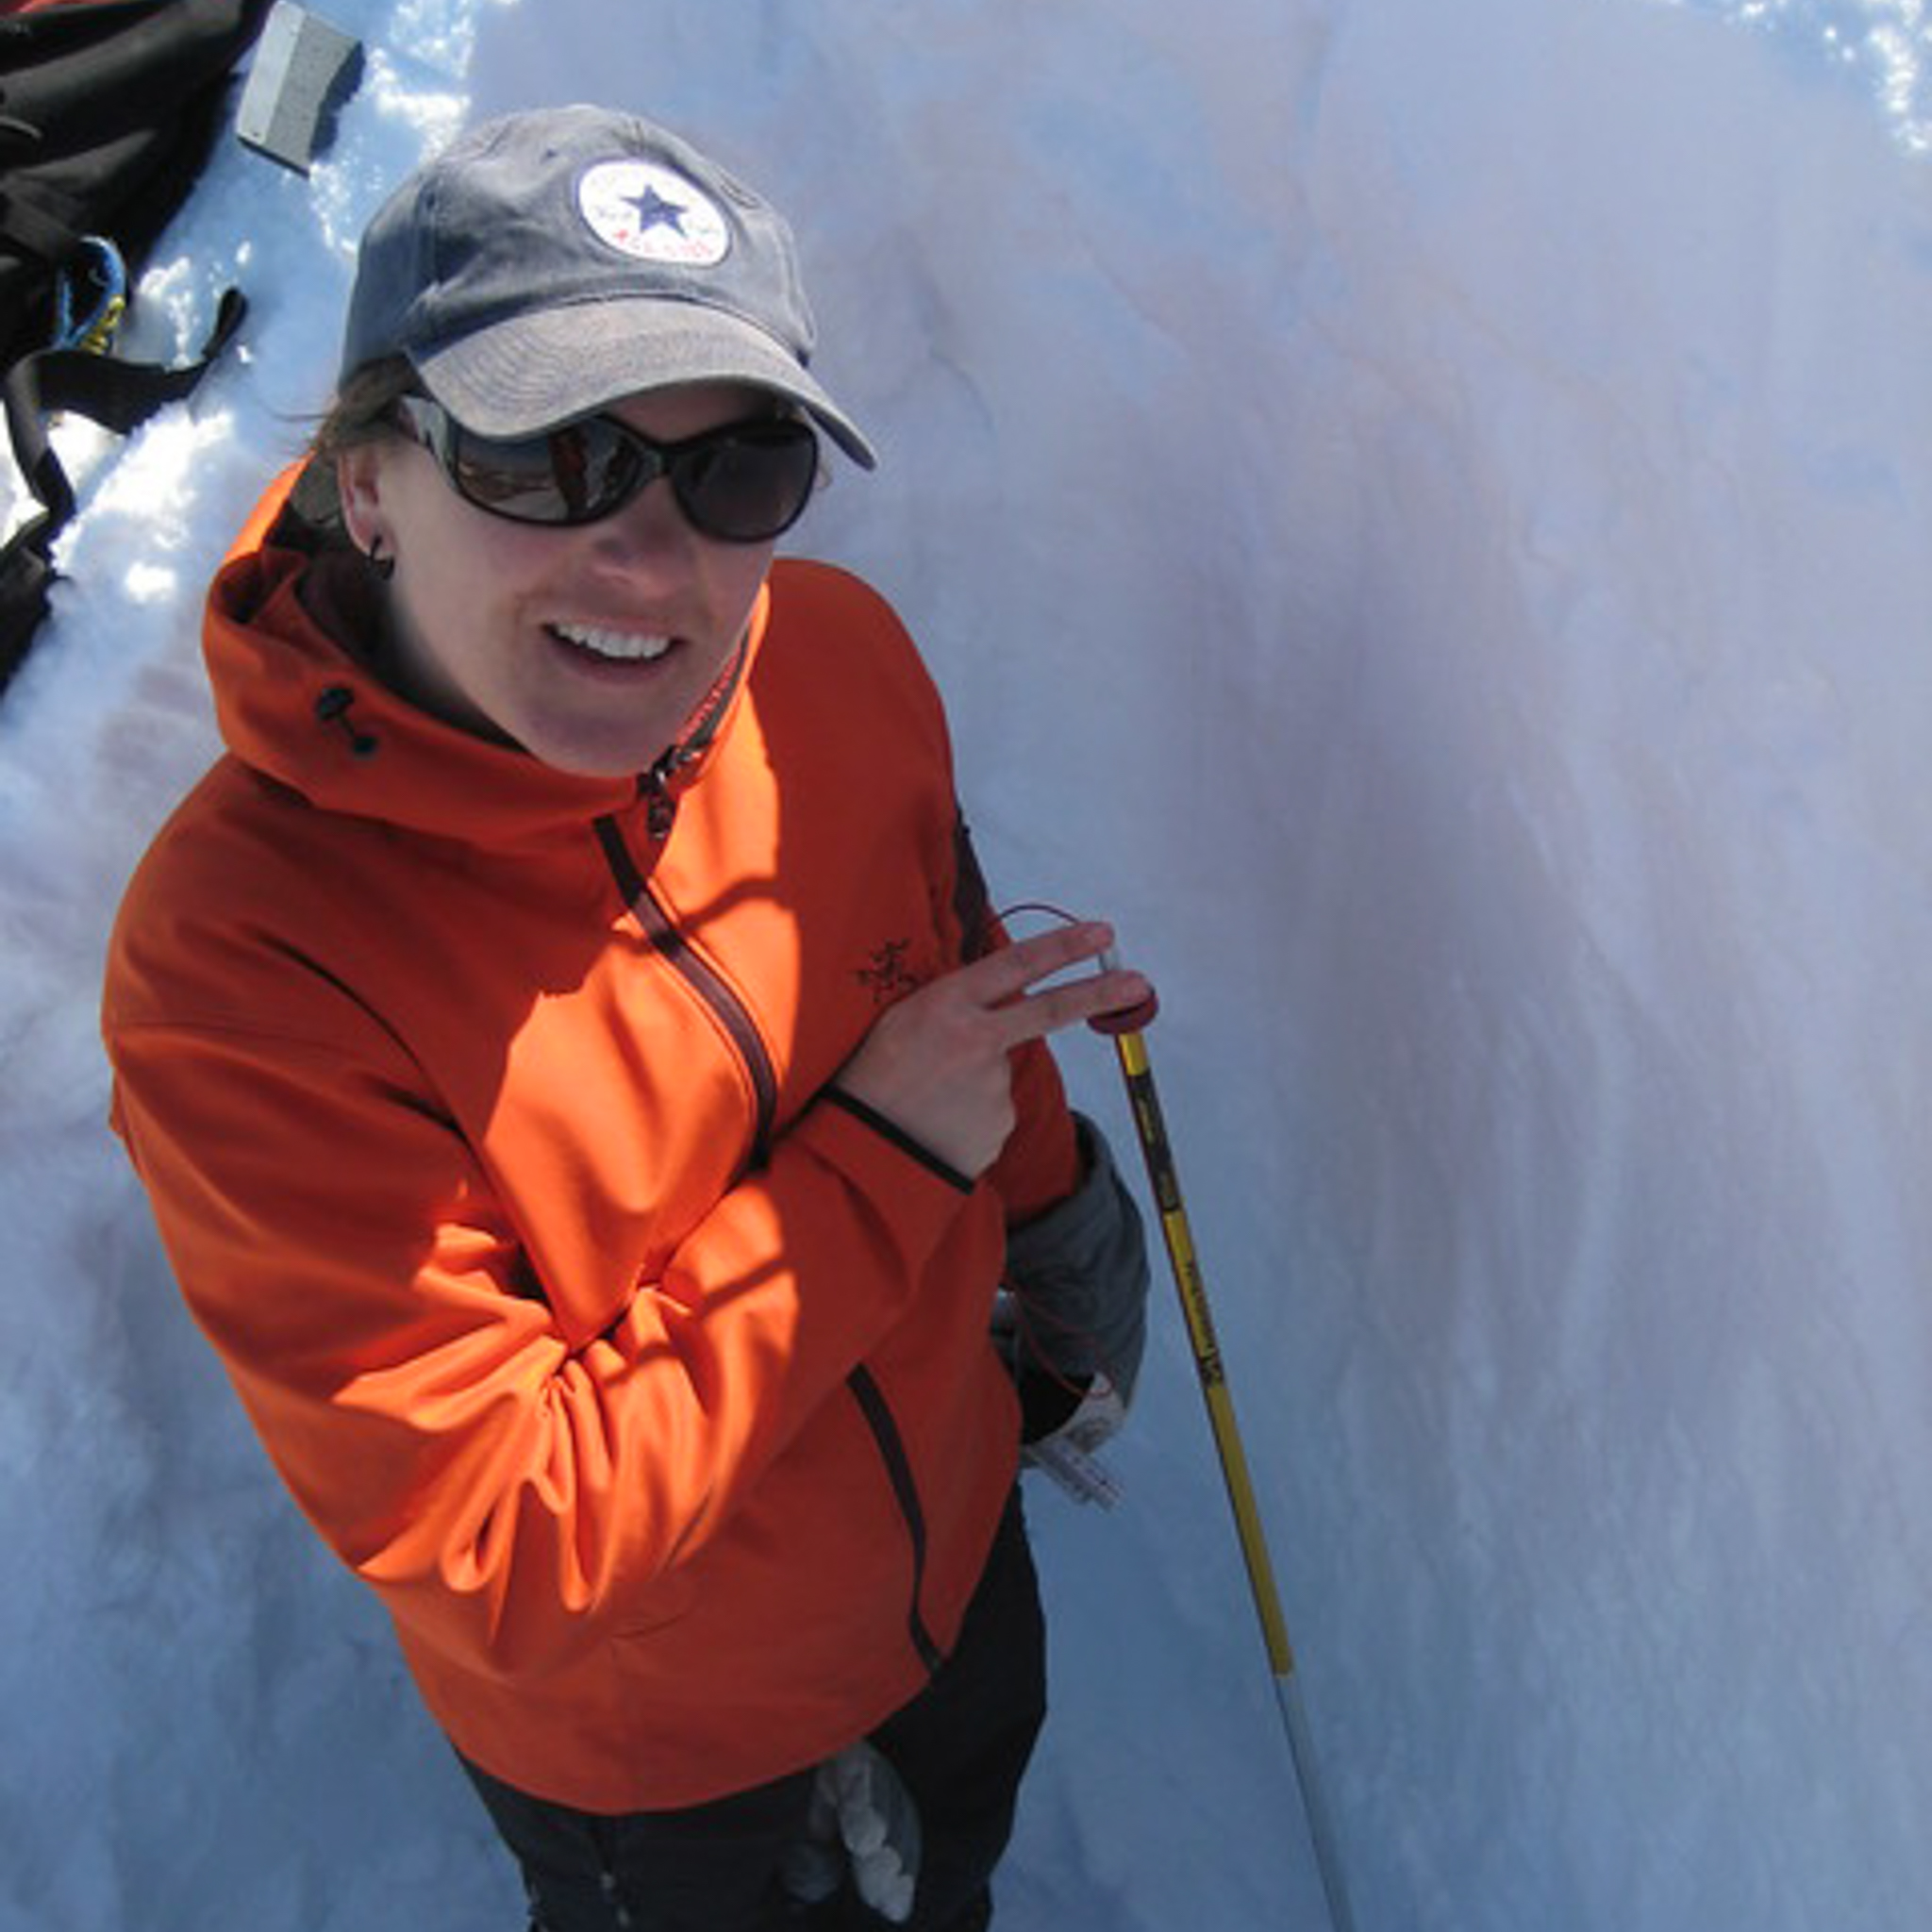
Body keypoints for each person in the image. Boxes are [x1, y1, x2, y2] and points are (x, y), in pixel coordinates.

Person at [101, 104, 1151, 1932]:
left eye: (734, 468)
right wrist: (894, 1162)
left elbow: (945, 969)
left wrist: (1047, 1201)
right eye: (546, 457)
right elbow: (506, 1538)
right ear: (370, 476)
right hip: (665, 1758)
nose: (652, 563)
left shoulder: (831, 652)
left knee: (951, 1884)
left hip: (953, 1575)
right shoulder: (242, 965)